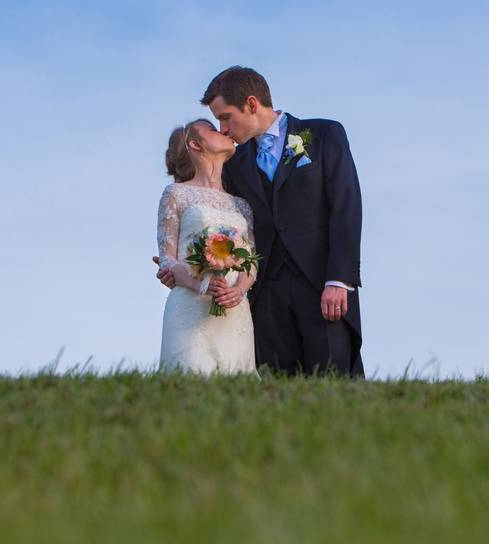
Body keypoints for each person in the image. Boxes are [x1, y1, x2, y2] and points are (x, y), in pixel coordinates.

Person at [155, 66, 364, 377]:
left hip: (321, 288)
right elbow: (217, 217)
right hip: (265, 298)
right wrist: (178, 266)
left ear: (252, 104)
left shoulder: (324, 135)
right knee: (275, 390)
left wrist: (338, 280)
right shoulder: (233, 164)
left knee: (335, 383)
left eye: (225, 117)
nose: (223, 128)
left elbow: (346, 209)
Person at [155, 118, 258, 375]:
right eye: (212, 129)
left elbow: (251, 260)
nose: (223, 130)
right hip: (190, 306)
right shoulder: (176, 194)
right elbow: (168, 260)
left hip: (234, 311)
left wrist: (239, 290)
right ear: (195, 144)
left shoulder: (241, 205)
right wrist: (201, 284)